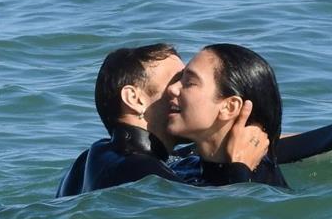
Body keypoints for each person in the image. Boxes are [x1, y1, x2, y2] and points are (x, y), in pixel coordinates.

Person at [56, 43, 271, 197]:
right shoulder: (141, 172)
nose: (180, 91)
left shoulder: (99, 156)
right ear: (135, 99)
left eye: (189, 83)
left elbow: (189, 155)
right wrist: (240, 168)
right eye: (179, 81)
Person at [166, 43, 288, 187]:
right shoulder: (184, 166)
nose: (172, 89)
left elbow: (244, 208)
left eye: (190, 83)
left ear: (229, 107)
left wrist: (239, 168)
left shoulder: (263, 183)